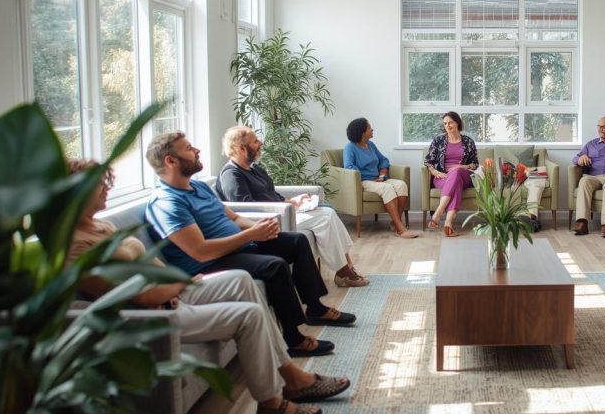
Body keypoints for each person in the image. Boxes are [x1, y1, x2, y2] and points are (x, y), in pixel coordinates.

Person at [66, 159, 350, 414]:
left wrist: (172, 284)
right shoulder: (73, 245)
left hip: (171, 291)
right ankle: (273, 402)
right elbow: (130, 296)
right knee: (252, 308)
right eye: (98, 184)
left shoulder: (101, 224)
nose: (107, 187)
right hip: (150, 314)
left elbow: (153, 264)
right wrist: (176, 286)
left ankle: (292, 368)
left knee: (242, 280)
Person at [143, 131, 357, 357]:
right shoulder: (167, 202)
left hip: (238, 246)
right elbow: (201, 252)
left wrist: (258, 228)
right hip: (212, 263)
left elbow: (234, 217)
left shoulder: (199, 187)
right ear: (170, 161)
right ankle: (293, 339)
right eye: (188, 148)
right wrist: (250, 235)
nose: (196, 150)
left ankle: (315, 308)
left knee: (296, 241)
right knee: (274, 266)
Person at [216, 126, 368, 287]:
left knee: (328, 211)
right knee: (323, 219)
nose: (260, 143)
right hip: (269, 220)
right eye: (255, 141)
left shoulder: (254, 169)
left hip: (283, 212)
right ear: (241, 148)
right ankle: (344, 272)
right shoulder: (231, 175)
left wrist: (293, 201)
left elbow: (271, 194)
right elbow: (246, 209)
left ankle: (346, 267)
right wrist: (284, 207)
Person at [342, 118, 418, 238]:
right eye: (369, 127)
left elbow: (383, 160)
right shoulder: (350, 148)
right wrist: (370, 179)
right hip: (363, 181)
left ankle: (394, 223)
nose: (372, 129)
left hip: (378, 179)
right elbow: (349, 167)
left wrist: (382, 175)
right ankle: (401, 229)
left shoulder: (370, 145)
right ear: (362, 132)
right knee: (387, 188)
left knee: (401, 185)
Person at [423, 111, 479, 237]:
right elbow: (428, 161)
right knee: (456, 183)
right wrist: (435, 172)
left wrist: (461, 166)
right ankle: (448, 224)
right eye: (445, 123)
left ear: (457, 123)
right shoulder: (438, 140)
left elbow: (475, 164)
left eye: (450, 123)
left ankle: (437, 214)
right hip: (442, 177)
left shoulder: (468, 141)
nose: (447, 126)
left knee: (457, 172)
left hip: (464, 175)